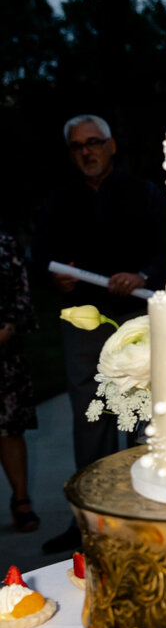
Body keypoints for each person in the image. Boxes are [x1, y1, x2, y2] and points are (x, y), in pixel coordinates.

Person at [33, 114, 166, 553]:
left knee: (142, 415)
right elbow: (42, 259)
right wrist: (57, 279)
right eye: (78, 146)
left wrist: (143, 273)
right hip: (84, 320)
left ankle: (146, 516)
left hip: (139, 318)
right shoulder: (58, 202)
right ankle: (90, 524)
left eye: (94, 143)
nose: (87, 152)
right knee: (92, 417)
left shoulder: (145, 194)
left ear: (112, 145)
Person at [0, 227, 40, 533]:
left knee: (9, 426)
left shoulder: (5, 240)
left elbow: (21, 290)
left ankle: (21, 499)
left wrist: (9, 327)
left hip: (3, 346)